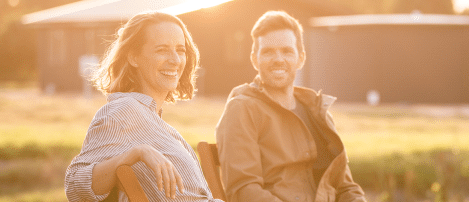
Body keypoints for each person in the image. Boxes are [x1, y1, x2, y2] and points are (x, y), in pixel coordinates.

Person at [65, 11, 223, 202]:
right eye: (162, 50)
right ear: (133, 57)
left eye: (180, 50)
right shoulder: (123, 111)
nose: (175, 60)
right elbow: (74, 187)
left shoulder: (158, 123)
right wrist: (136, 153)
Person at [216, 11, 367, 202]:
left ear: (301, 58)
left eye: (287, 51)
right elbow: (244, 191)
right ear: (255, 59)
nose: (278, 59)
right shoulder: (242, 109)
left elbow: (345, 187)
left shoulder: (317, 112)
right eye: (268, 51)